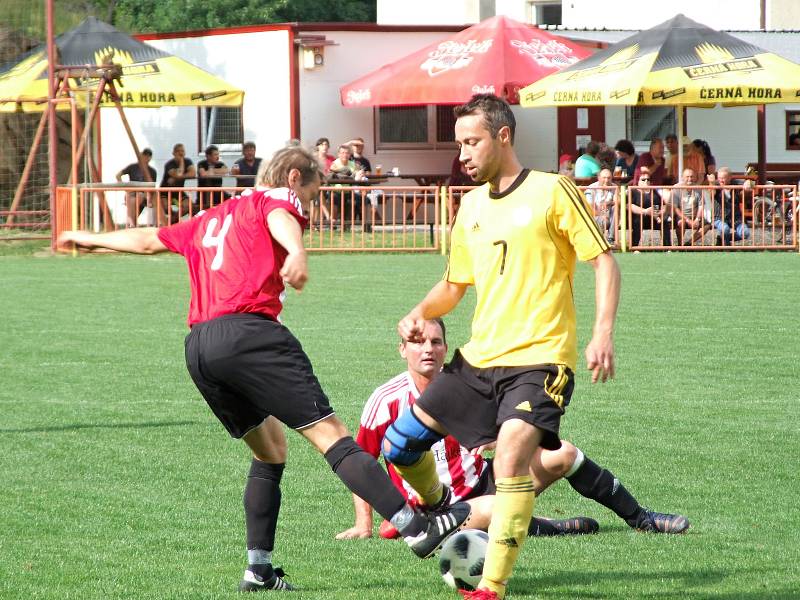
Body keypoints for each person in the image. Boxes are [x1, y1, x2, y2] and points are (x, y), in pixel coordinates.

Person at [57, 144, 471, 593]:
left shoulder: (210, 217)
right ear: (294, 178)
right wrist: (296, 250)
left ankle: (258, 569)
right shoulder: (275, 199)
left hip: (200, 347)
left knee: (270, 451)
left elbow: (144, 239)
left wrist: (85, 236)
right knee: (331, 436)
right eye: (312, 196)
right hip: (250, 334)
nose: (308, 208)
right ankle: (416, 527)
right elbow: (281, 215)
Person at [383, 93, 621, 600]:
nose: (463, 154)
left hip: (540, 360)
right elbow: (453, 285)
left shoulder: (554, 191)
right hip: (478, 359)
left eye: (472, 142)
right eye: (460, 144)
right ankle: (439, 504)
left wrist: (602, 332)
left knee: (510, 460)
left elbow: (602, 261)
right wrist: (419, 313)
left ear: (503, 136)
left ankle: (491, 585)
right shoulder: (469, 205)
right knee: (398, 444)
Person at [337, 318, 687, 543]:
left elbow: (509, 426)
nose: (427, 349)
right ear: (402, 349)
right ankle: (548, 526)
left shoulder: (465, 384)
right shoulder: (386, 400)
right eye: (417, 341)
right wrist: (363, 523)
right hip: (435, 511)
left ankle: (640, 518)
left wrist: (498, 435)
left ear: (447, 347)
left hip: (485, 482)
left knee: (563, 453)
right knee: (496, 511)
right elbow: (362, 462)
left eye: (436, 341)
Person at [664, 168, 712, 245]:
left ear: (695, 177)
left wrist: (697, 219)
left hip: (694, 216)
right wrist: (687, 220)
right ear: (682, 177)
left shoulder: (698, 189)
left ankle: (689, 243)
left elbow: (701, 206)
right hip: (681, 216)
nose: (690, 179)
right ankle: (680, 245)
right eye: (687, 177)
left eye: (692, 176)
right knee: (681, 222)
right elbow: (675, 208)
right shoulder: (676, 188)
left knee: (707, 225)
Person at [115, 148, 160, 228]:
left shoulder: (152, 171)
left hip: (145, 194)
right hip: (131, 193)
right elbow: (118, 175)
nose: (146, 158)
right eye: (145, 155)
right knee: (132, 198)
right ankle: (132, 224)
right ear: (141, 156)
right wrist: (124, 187)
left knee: (137, 197)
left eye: (148, 156)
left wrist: (147, 195)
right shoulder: (133, 167)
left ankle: (132, 224)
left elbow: (152, 186)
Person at [628, 167, 672, 248]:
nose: (646, 182)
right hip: (639, 218)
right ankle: (634, 247)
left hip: (654, 219)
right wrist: (645, 211)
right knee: (638, 221)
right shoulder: (633, 191)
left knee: (664, 221)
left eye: (648, 179)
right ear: (638, 181)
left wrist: (661, 212)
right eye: (643, 180)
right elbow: (629, 206)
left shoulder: (654, 192)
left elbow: (663, 205)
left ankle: (668, 247)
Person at [708, 167, 751, 245]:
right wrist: (711, 183)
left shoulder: (735, 183)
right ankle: (727, 247)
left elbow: (751, 183)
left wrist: (748, 182)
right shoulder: (716, 184)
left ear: (730, 177)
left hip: (735, 217)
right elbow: (711, 195)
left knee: (746, 233)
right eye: (719, 178)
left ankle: (722, 239)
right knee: (725, 229)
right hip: (719, 217)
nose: (721, 180)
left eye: (724, 178)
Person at [348, 136, 382, 230]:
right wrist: (351, 141)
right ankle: (365, 223)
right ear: (353, 147)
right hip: (353, 186)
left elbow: (369, 174)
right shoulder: (349, 158)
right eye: (356, 145)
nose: (358, 147)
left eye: (360, 145)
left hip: (365, 185)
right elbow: (341, 147)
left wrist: (364, 173)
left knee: (374, 195)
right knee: (360, 199)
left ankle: (369, 222)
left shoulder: (365, 161)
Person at [160, 143, 196, 221]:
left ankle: (173, 220)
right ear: (173, 153)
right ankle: (172, 220)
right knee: (166, 208)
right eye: (178, 151)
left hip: (178, 191)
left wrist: (177, 178)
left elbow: (193, 173)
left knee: (189, 206)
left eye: (182, 151)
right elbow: (178, 173)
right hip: (166, 191)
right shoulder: (169, 164)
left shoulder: (188, 161)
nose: (180, 153)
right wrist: (181, 165)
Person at [585, 168, 618, 244]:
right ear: (599, 178)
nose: (606, 180)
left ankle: (611, 238)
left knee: (616, 207)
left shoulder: (614, 186)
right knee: (603, 220)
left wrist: (608, 203)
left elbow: (618, 202)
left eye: (609, 178)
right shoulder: (591, 188)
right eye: (604, 178)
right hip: (594, 216)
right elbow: (589, 207)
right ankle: (599, 242)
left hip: (609, 216)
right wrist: (601, 215)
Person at [310, 137, 334, 229]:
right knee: (317, 196)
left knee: (318, 197)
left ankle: (314, 224)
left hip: (328, 184)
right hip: (316, 183)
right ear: (318, 147)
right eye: (322, 145)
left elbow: (334, 170)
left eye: (326, 145)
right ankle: (328, 217)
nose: (325, 147)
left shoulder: (331, 159)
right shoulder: (314, 159)